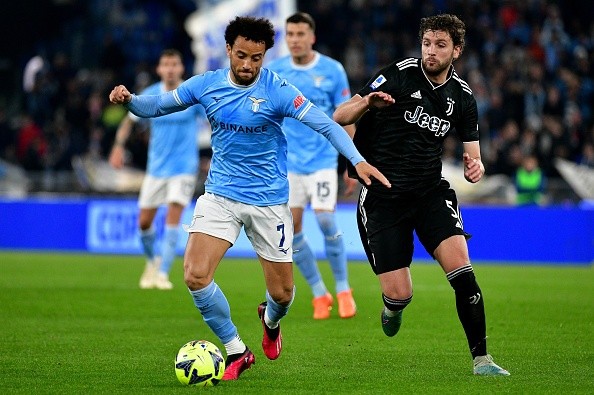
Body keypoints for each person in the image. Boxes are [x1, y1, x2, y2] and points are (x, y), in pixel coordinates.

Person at [109, 16, 390, 381]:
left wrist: (357, 160)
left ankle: (270, 321)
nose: (247, 65)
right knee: (195, 275)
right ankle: (237, 350)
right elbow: (158, 106)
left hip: (269, 201)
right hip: (220, 195)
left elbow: (325, 123)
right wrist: (129, 100)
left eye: (256, 58)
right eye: (241, 55)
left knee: (284, 294)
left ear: (264, 56)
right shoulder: (207, 85)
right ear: (228, 50)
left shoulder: (279, 90)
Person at [333, 14, 510, 376]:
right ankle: (393, 308)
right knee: (400, 293)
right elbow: (340, 114)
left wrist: (476, 168)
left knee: (463, 271)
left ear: (456, 50)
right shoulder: (398, 73)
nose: (430, 51)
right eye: (427, 43)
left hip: (430, 192)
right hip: (382, 195)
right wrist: (368, 103)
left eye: (440, 45)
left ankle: (482, 360)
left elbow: (474, 158)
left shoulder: (463, 98)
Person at [267, 12, 358, 320]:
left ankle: (344, 288)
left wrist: (351, 162)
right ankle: (320, 293)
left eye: (300, 34)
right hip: (288, 166)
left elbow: (346, 116)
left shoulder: (332, 70)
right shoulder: (276, 71)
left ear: (312, 37)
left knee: (326, 222)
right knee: (291, 232)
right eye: (290, 34)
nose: (294, 40)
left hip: (322, 161)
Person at [109, 49, 207, 290]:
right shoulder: (151, 94)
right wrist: (118, 147)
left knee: (173, 219)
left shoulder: (190, 93)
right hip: (156, 168)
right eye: (166, 64)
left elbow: (213, 121)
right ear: (159, 69)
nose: (171, 68)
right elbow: (128, 122)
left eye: (175, 64)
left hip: (184, 167)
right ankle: (153, 262)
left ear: (182, 68)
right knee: (144, 222)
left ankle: (163, 273)